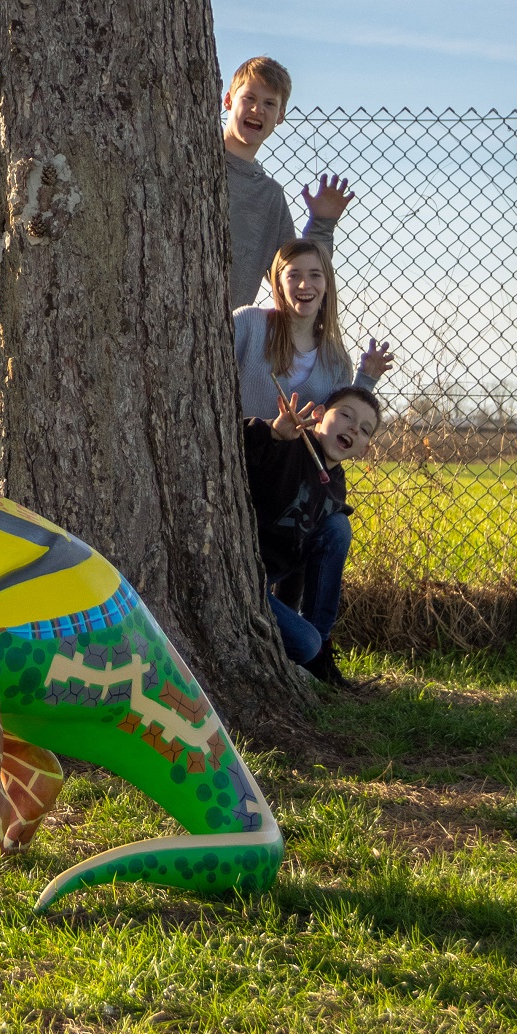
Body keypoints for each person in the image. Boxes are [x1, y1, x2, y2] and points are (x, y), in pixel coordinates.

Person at [243, 384, 383, 687]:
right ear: (318, 415)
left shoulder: (335, 484)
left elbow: (303, 556)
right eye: (345, 415)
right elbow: (238, 444)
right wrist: (273, 432)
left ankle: (320, 650)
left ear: (366, 447)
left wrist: (290, 608)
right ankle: (312, 651)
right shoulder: (290, 443)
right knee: (304, 644)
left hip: (266, 588)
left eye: (364, 429)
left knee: (338, 525)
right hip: (239, 577)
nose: (353, 428)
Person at [223, 55, 355, 310]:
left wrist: (322, 225)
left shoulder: (269, 197)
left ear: (280, 115)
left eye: (269, 103)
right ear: (228, 100)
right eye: (249, 98)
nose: (257, 109)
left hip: (219, 334)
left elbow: (296, 275)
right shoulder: (192, 162)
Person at [234, 238, 393, 420]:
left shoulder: (336, 360)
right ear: (278, 283)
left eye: (315, 275)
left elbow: (334, 428)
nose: (304, 285)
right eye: (293, 275)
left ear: (327, 284)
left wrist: (365, 380)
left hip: (296, 450)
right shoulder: (249, 324)